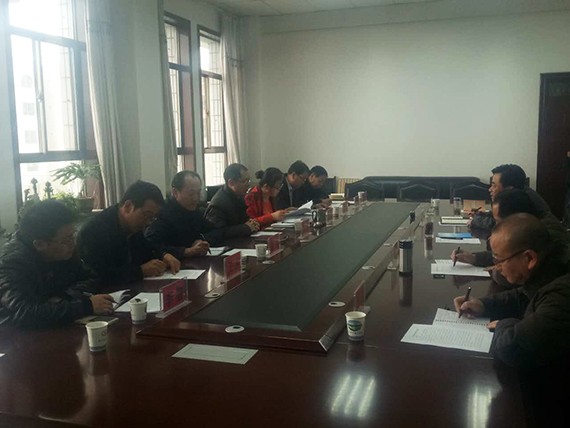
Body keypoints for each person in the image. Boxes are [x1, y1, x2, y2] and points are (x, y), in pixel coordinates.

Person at [453, 214, 570, 424]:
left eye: (499, 260)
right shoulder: (549, 269)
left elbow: (514, 348)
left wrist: (504, 325)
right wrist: (483, 304)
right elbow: (523, 296)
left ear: (529, 258)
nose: (496, 267)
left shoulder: (562, 294)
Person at [0, 200, 113, 327]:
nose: (73, 243)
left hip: (55, 326)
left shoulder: (64, 250)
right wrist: (86, 306)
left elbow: (91, 277)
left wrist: (64, 297)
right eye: (67, 239)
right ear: (40, 244)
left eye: (73, 236)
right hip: (16, 334)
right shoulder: (11, 263)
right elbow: (23, 312)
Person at [78, 180, 180, 285]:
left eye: (152, 218)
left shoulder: (133, 227)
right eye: (146, 215)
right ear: (128, 206)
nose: (148, 222)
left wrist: (163, 256)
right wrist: (140, 271)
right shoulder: (93, 232)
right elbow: (99, 276)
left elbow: (146, 251)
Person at [452, 189, 569, 270]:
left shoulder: (543, 235)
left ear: (514, 217)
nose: (496, 227)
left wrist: (498, 270)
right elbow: (508, 256)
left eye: (498, 222)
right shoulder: (529, 222)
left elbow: (515, 277)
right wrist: (474, 258)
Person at [145, 171, 223, 259]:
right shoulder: (162, 213)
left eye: (198, 193)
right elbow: (152, 246)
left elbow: (216, 231)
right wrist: (186, 251)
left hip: (194, 262)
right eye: (191, 194)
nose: (195, 198)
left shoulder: (194, 210)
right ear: (175, 192)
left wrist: (201, 240)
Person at [470, 164, 551, 236]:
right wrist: (484, 214)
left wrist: (476, 220)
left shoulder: (521, 201)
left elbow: (500, 225)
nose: (490, 189)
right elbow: (502, 215)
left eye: (494, 185)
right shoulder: (519, 193)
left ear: (509, 188)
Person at [204, 164, 260, 238]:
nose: (248, 185)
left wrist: (252, 224)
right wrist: (245, 228)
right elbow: (216, 233)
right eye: (244, 181)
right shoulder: (218, 204)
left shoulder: (239, 196)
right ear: (231, 183)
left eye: (248, 180)